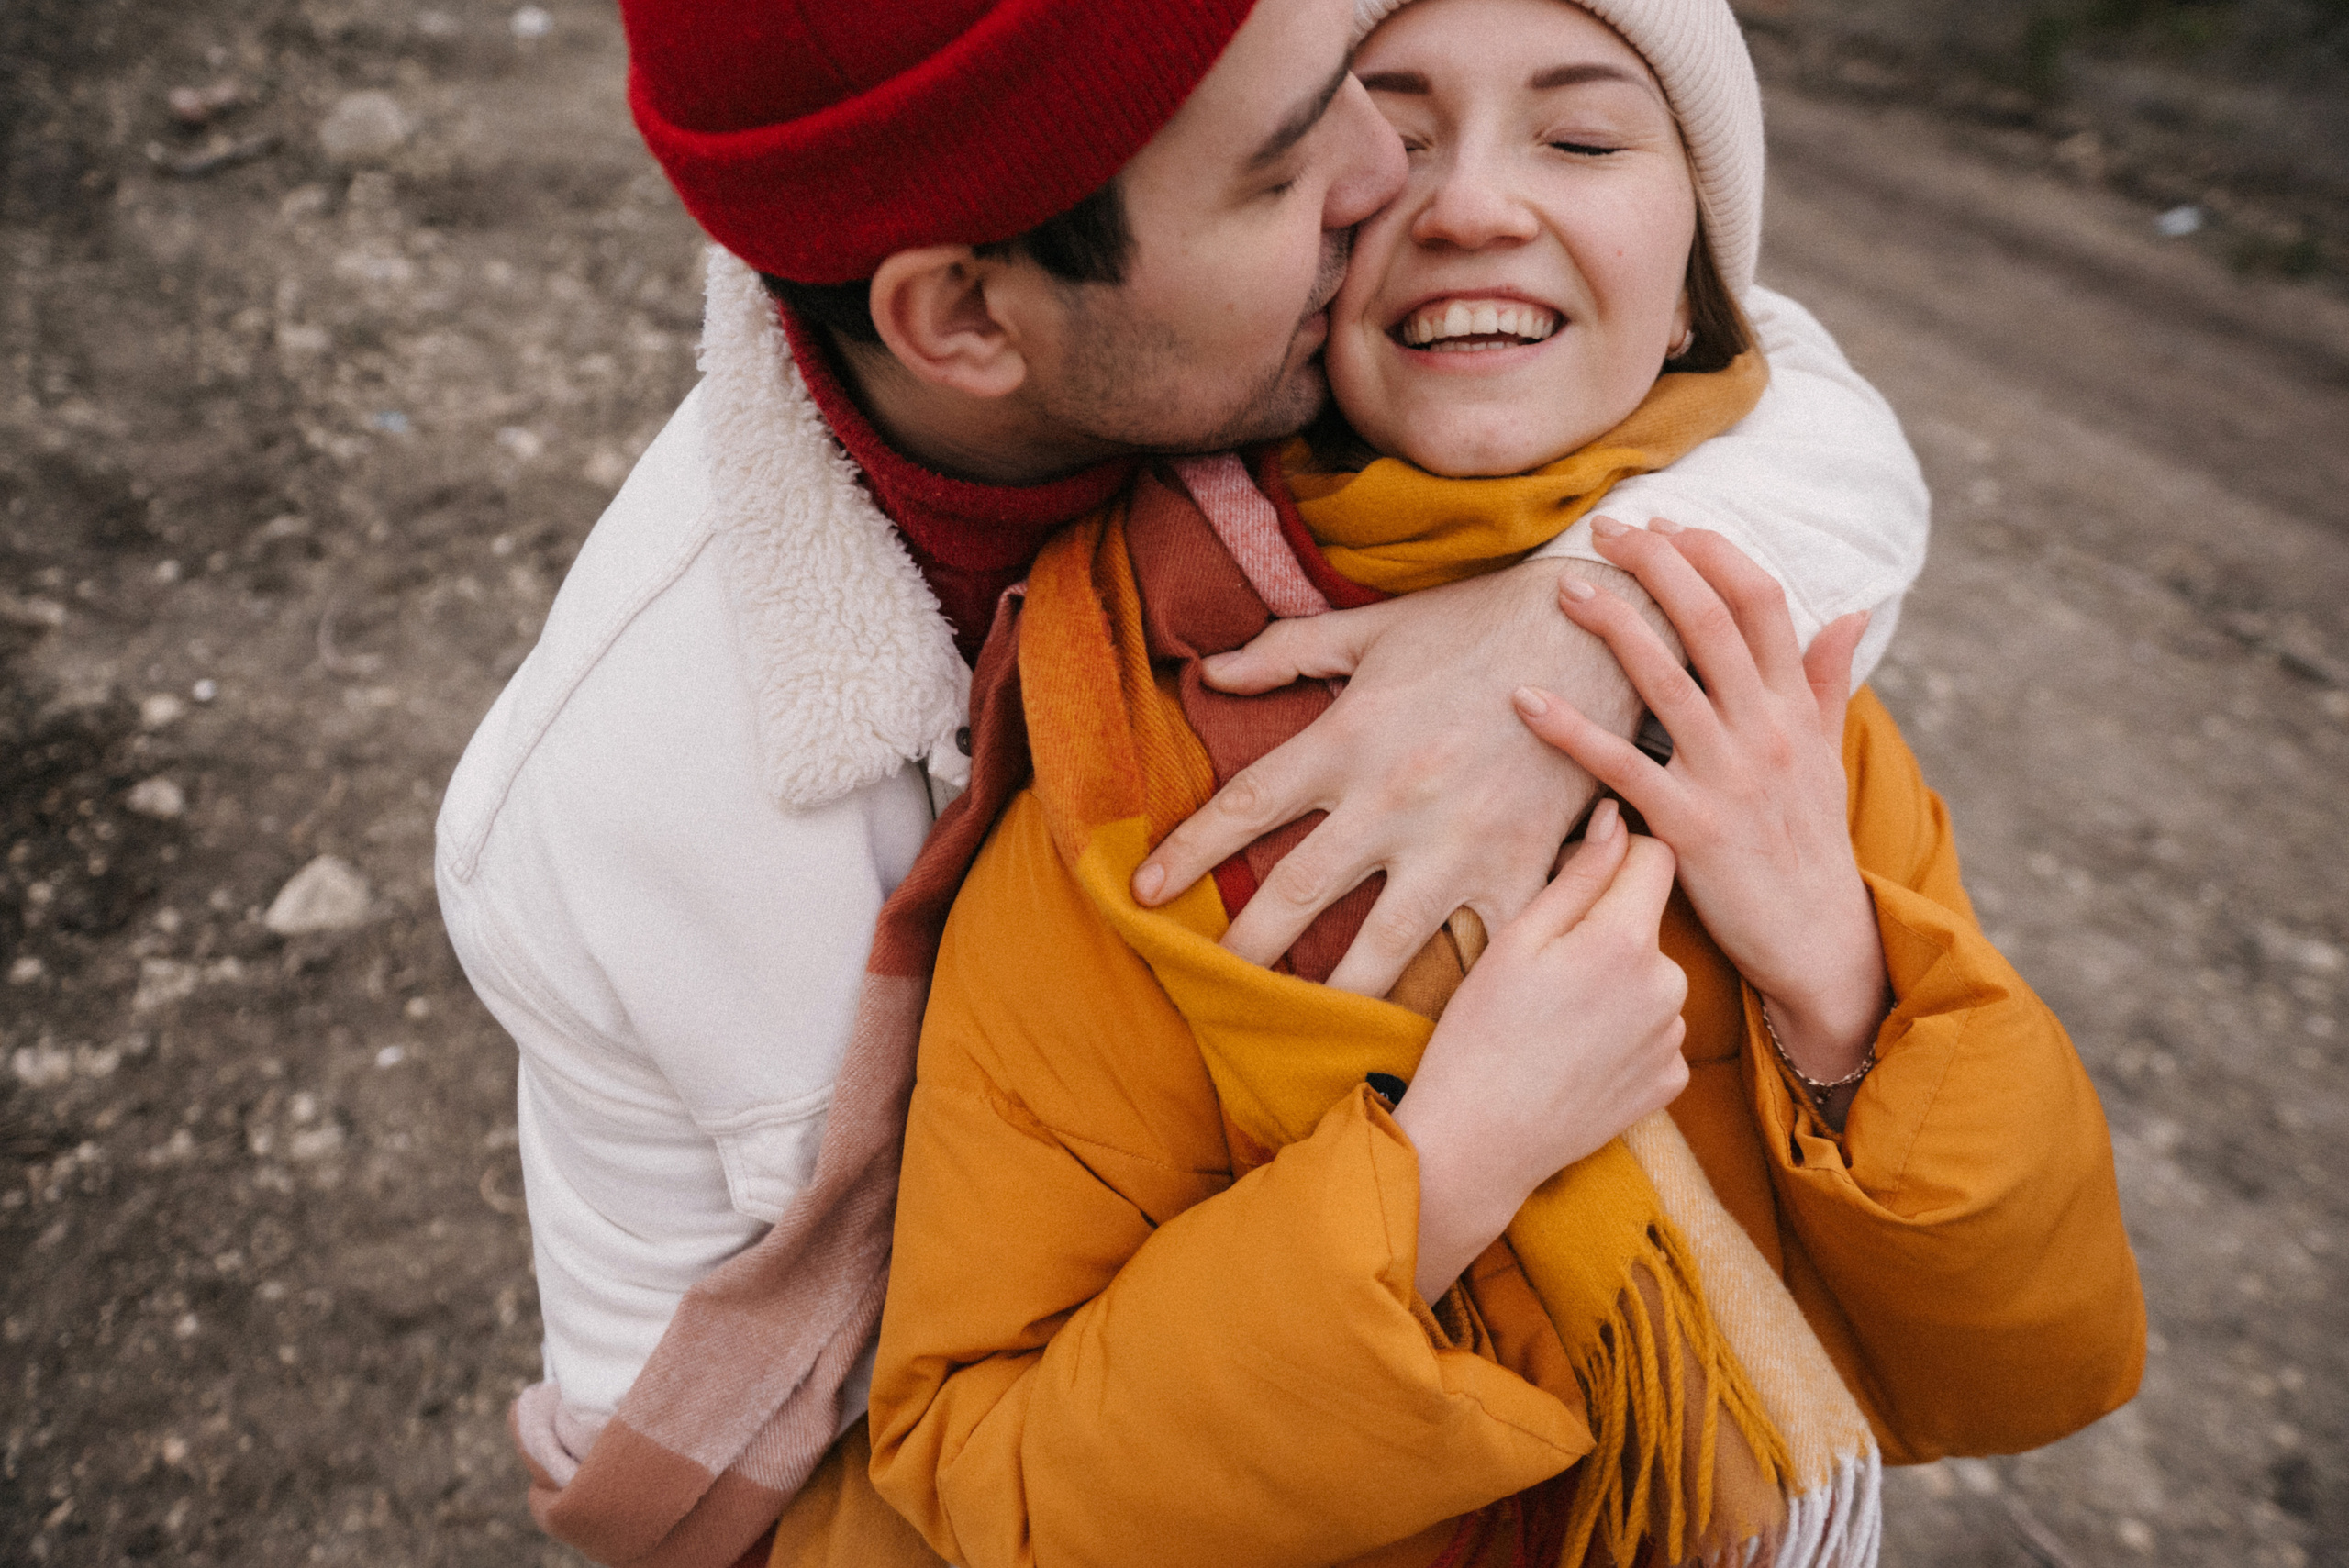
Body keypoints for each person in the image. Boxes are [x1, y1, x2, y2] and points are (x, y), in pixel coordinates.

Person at [432, 0, 1930, 1561]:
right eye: (1289, 168)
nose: (1392, 182)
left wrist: (1577, 626)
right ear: (966, 320)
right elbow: (687, 1477)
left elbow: (1766, 365)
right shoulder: (613, 829)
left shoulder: (1266, 356)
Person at [864, 0, 2143, 1563]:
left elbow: (2035, 1354)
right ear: (1301, 264)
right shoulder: (1132, 760)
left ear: (1689, 294)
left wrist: (1838, 983)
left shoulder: (1774, 706)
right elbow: (993, 1483)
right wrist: (1449, 1164)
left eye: (1585, 136)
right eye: (1391, 142)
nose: (1471, 203)